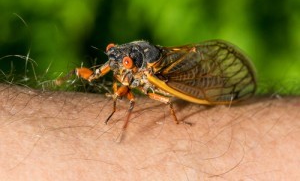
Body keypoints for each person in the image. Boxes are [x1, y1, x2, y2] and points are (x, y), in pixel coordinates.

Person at [0, 84, 299, 180]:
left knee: (168, 100)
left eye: (126, 62)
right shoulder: (126, 73)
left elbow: (166, 98)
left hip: (170, 77)